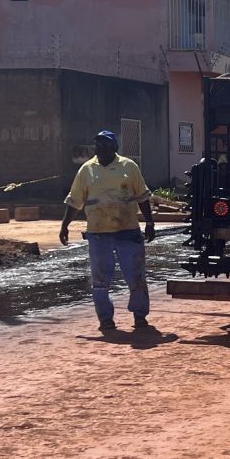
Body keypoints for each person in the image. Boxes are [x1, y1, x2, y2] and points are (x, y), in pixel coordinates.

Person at [61, 129, 157, 332]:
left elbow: (142, 197)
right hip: (98, 234)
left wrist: (150, 223)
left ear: (115, 147)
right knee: (100, 281)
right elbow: (75, 200)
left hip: (128, 231)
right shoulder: (87, 170)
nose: (101, 148)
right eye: (98, 144)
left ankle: (140, 315)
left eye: (105, 144)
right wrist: (64, 226)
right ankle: (105, 319)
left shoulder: (129, 167)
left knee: (136, 276)